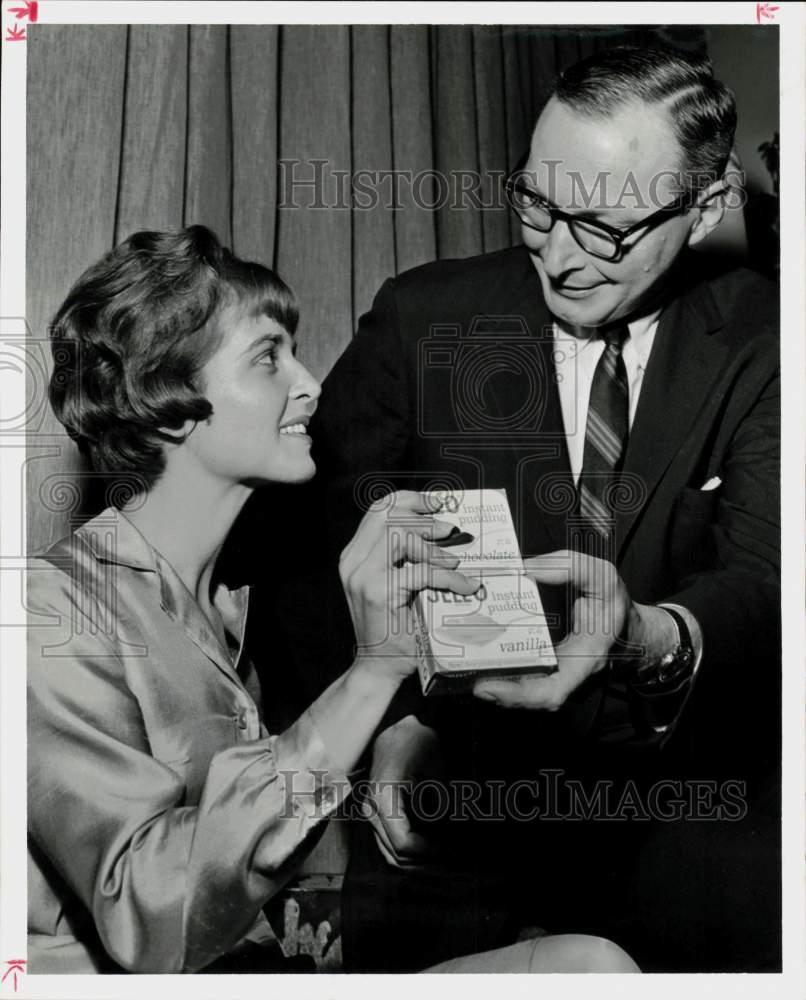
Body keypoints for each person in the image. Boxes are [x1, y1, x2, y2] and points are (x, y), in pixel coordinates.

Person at [249, 45, 780, 972]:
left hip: (676, 816)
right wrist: (387, 729)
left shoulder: (768, 342)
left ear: (702, 211)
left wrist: (651, 634)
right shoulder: (422, 318)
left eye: (605, 228)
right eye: (538, 203)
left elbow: (764, 583)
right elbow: (299, 558)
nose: (562, 256)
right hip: (443, 812)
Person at [26, 226, 640, 975]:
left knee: (588, 968)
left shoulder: (241, 605)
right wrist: (373, 674)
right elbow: (148, 911)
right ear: (169, 400)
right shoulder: (52, 610)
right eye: (267, 358)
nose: (311, 384)